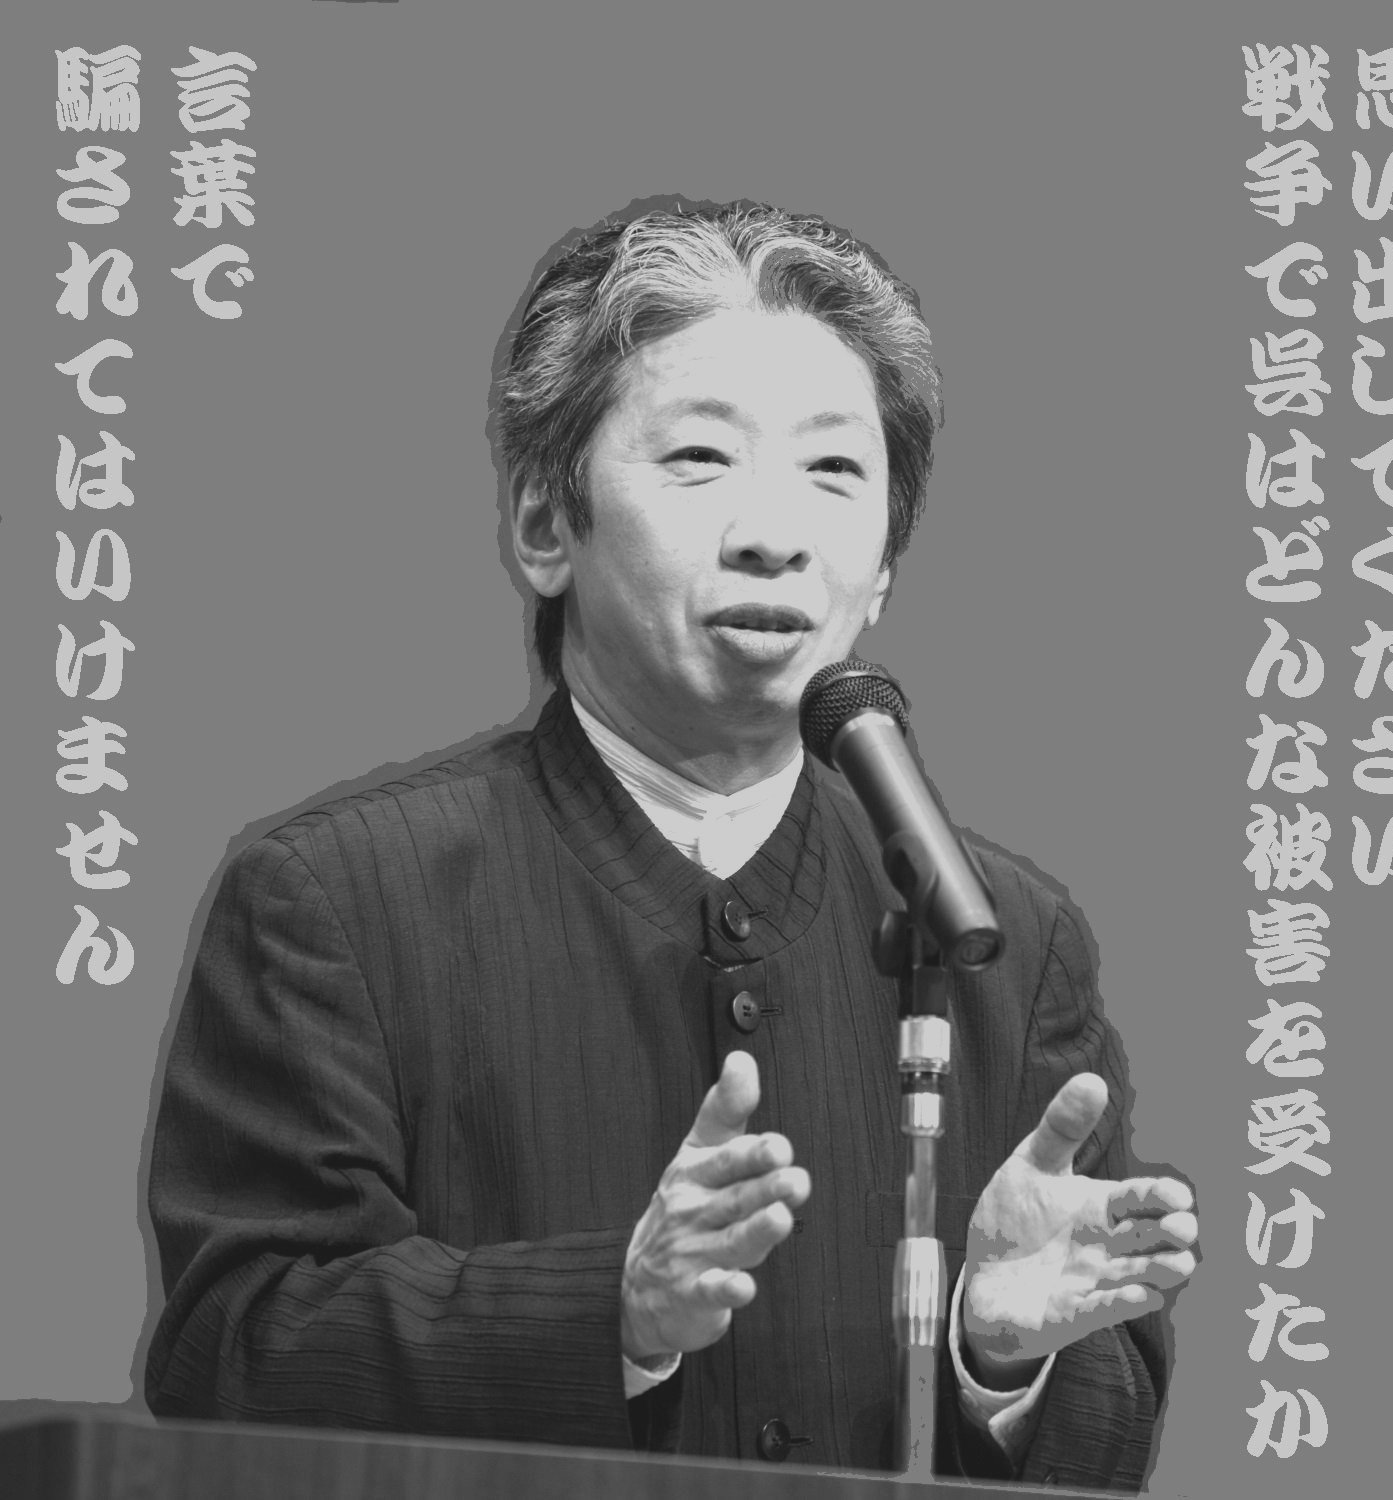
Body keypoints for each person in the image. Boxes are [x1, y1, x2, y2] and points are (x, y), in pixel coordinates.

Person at [145, 202, 1197, 1488]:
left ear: (883, 572)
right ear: (546, 525)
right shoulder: (336, 902)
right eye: (701, 457)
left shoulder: (1008, 939)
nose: (774, 534)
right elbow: (233, 1352)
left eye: (834, 470)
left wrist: (997, 1352)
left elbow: (1111, 1445)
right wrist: (615, 1315)